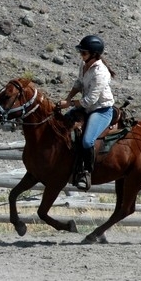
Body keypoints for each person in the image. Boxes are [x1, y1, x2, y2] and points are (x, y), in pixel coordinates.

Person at [58, 35, 116, 191]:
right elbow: (79, 83)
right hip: (86, 107)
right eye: (81, 52)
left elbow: (90, 100)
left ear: (94, 54)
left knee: (87, 141)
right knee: (61, 126)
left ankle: (86, 172)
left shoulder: (101, 73)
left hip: (101, 110)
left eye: (84, 53)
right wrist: (68, 98)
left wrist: (68, 103)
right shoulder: (83, 65)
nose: (81, 55)